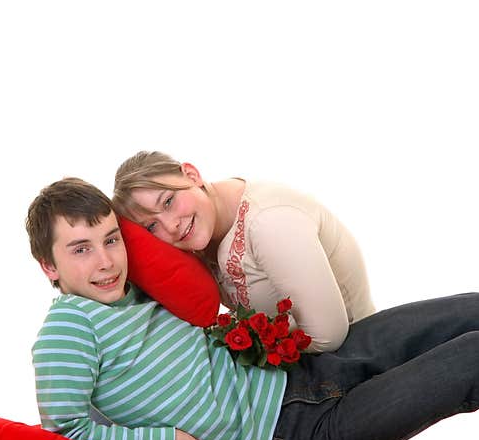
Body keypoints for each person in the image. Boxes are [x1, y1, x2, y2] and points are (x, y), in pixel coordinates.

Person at [26, 178, 479, 440]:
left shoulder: (142, 282)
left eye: (111, 240)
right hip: (302, 431)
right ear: (49, 266)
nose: (107, 260)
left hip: (302, 370)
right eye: (80, 250)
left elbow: (168, 244)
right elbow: (67, 433)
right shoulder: (67, 328)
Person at [111, 151, 375, 353]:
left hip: (358, 356)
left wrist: (238, 347)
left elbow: (328, 335)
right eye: (152, 226)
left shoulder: (269, 222)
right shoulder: (197, 233)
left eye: (168, 201)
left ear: (192, 175)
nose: (171, 226)